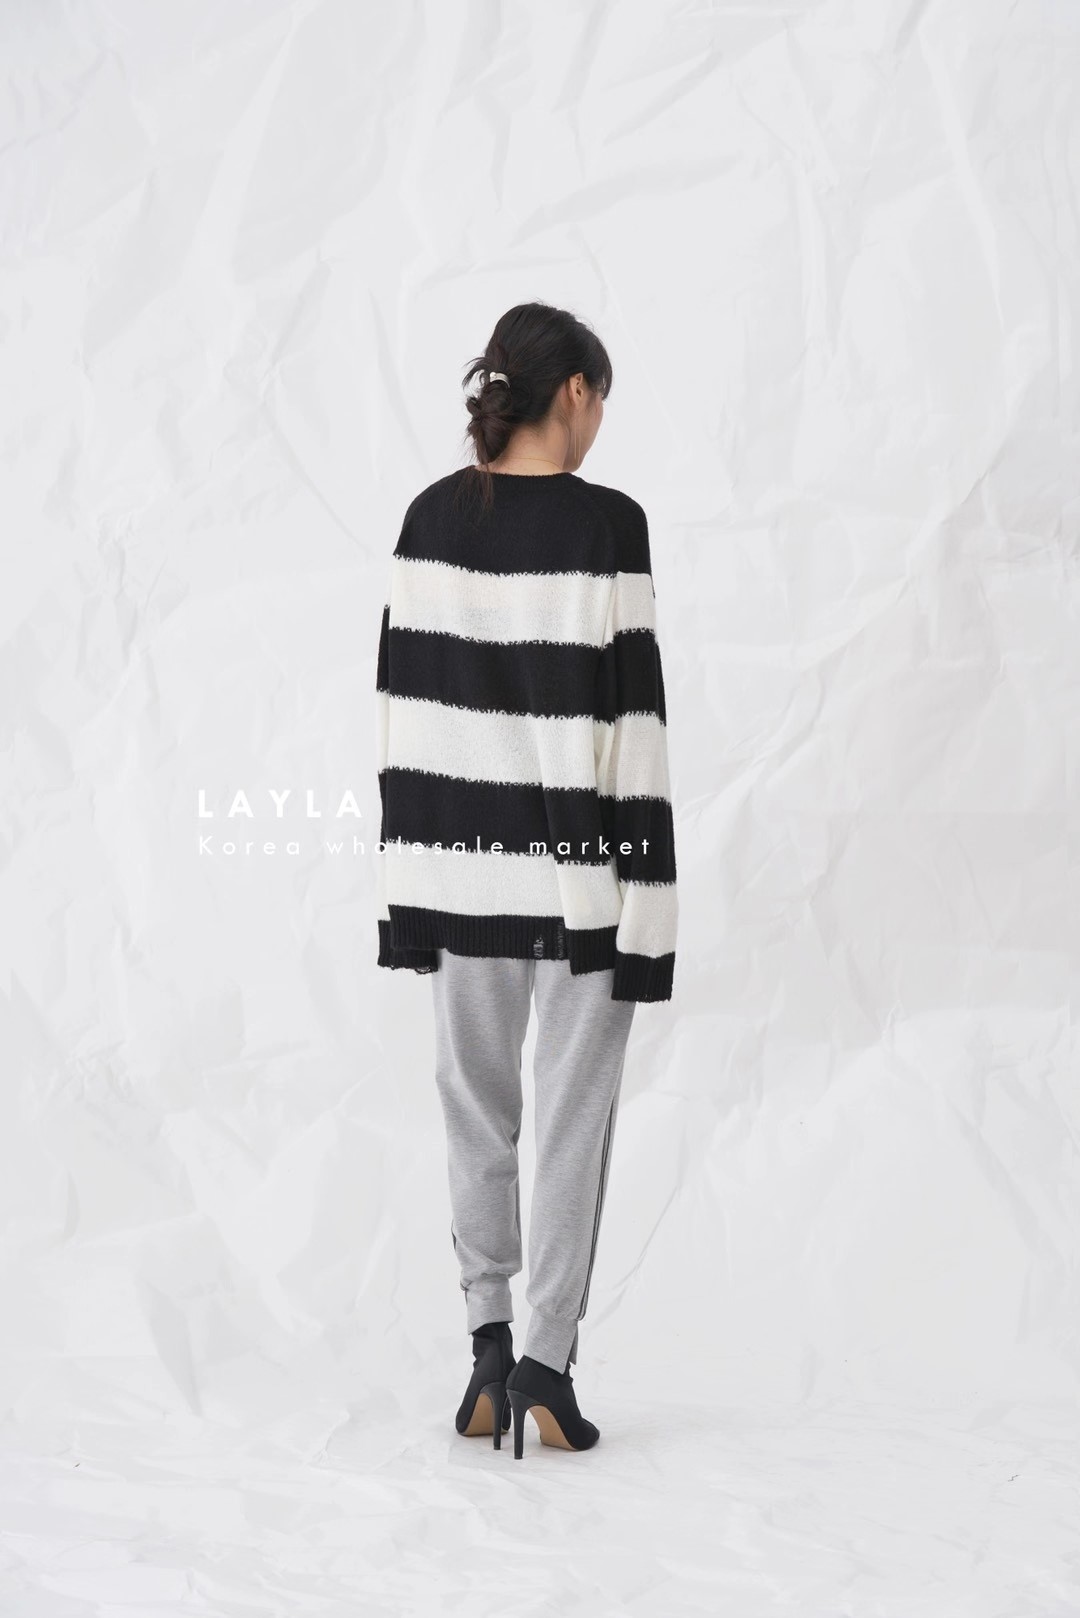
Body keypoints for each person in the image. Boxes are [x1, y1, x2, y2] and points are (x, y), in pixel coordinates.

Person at [374, 301, 677, 1457]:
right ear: (577, 393)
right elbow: (632, 731)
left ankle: (487, 1351)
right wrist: (649, 903)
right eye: (603, 403)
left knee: (475, 1112)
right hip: (582, 885)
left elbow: (405, 717)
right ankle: (548, 1364)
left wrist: (409, 894)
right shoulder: (610, 527)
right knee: (572, 1119)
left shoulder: (427, 519)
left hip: (458, 877)